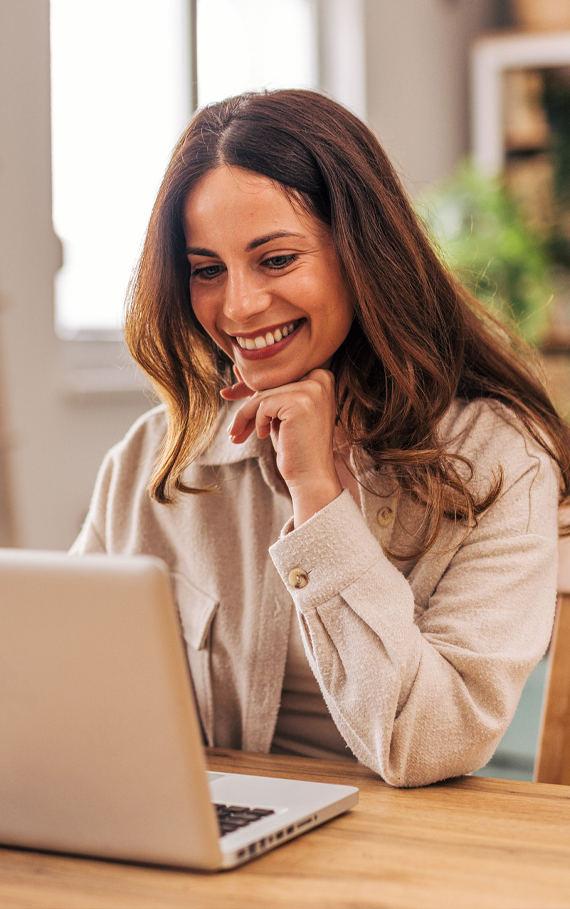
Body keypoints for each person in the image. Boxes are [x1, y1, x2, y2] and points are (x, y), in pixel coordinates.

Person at [71, 89, 570, 787]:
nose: (238, 306)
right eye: (207, 270)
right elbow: (63, 684)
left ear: (362, 254)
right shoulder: (155, 458)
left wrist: (319, 497)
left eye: (276, 260)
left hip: (406, 859)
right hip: (211, 842)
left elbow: (427, 742)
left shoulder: (497, 459)